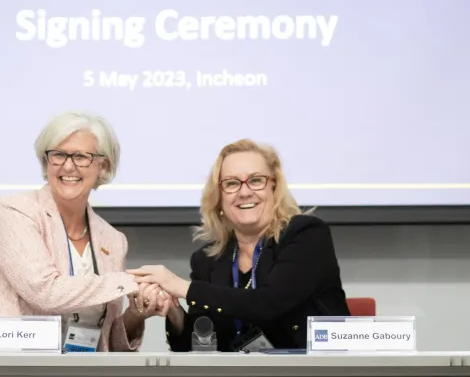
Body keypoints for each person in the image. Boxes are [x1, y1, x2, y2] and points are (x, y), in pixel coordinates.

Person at [0, 110, 170, 351]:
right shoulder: (15, 210)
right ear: (46, 162)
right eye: (58, 155)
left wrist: (136, 314)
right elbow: (43, 292)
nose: (68, 166)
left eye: (80, 157)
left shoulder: (113, 240)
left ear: (103, 166)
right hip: (7, 365)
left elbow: (107, 345)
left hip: (79, 370)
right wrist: (129, 281)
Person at [128, 138, 350, 351]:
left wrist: (180, 286)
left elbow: (268, 303)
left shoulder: (306, 235)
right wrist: (174, 311)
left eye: (255, 180)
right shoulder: (208, 260)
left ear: (274, 187)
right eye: (232, 184)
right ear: (220, 198)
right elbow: (197, 348)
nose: (244, 192)